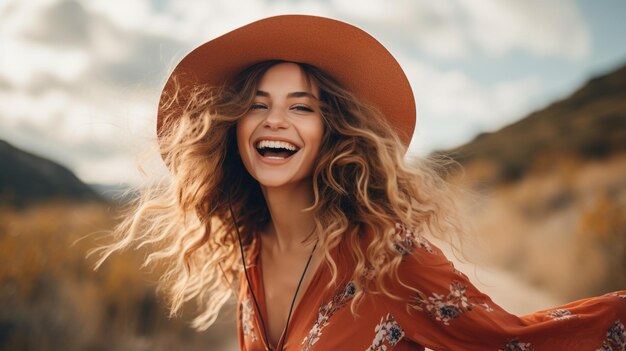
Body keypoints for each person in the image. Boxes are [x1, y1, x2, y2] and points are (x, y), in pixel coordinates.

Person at [94, 15, 626, 351]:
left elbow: (514, 343)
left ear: (333, 133)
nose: (275, 120)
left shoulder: (391, 259)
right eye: (257, 105)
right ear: (232, 129)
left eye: (302, 107)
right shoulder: (249, 248)